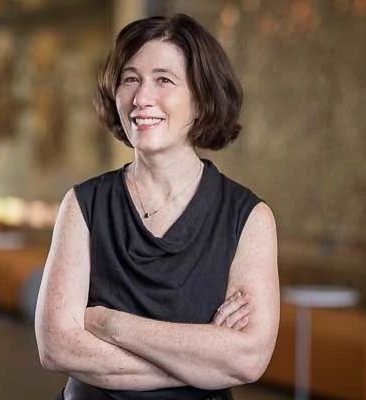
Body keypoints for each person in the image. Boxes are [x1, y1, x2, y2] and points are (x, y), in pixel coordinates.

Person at [35, 13, 279, 400]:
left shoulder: (248, 217)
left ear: (201, 99)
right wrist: (202, 362)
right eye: (130, 79)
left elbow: (247, 358)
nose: (141, 97)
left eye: (164, 80)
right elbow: (56, 346)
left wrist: (109, 324)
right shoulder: (83, 205)